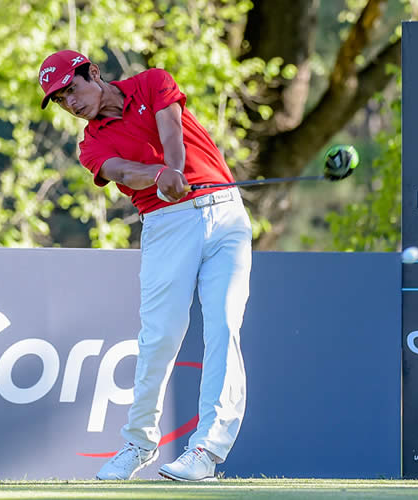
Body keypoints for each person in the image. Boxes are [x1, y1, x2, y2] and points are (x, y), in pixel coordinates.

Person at [37, 50, 252, 482]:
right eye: (61, 100)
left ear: (92, 73)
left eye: (72, 89)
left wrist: (173, 170)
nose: (71, 104)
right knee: (159, 337)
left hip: (225, 211)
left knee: (224, 326)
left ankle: (206, 451)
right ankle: (139, 443)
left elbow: (171, 130)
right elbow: (121, 170)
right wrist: (158, 178)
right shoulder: (90, 144)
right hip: (168, 224)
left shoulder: (153, 82)